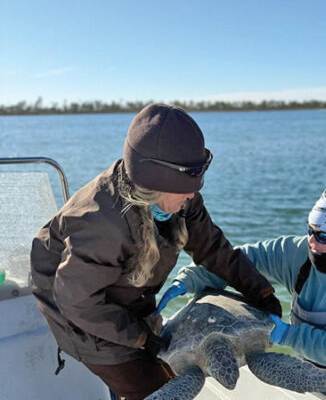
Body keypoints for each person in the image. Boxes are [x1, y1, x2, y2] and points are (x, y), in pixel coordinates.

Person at [30, 103, 281, 400]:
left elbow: (212, 248)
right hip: (75, 309)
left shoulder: (181, 197)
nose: (192, 194)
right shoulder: (102, 224)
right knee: (152, 388)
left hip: (119, 291)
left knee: (167, 371)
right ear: (153, 184)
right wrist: (139, 337)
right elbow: (78, 303)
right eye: (185, 188)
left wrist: (260, 292)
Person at [162, 185, 326, 400]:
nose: (313, 242)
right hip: (322, 384)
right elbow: (237, 262)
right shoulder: (300, 255)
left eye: (324, 237)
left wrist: (288, 335)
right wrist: (190, 279)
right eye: (310, 231)